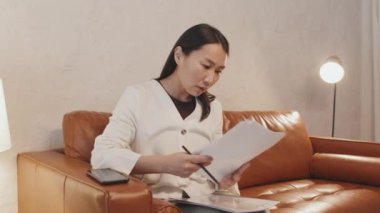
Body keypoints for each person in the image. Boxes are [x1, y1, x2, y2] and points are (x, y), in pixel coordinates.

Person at [91, 23, 249, 210]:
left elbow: (216, 175)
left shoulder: (213, 107)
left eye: (218, 71)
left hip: (208, 203)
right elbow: (102, 155)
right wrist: (164, 164)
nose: (210, 79)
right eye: (206, 66)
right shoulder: (138, 97)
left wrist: (225, 181)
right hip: (162, 204)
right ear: (179, 55)